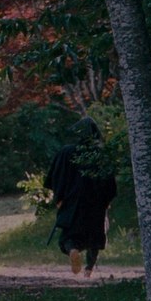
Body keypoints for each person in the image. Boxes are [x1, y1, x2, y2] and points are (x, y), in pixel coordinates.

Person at [44, 116, 117, 277]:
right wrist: (106, 200)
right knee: (95, 236)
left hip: (72, 201)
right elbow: (109, 181)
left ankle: (73, 250)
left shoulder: (65, 152)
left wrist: (59, 197)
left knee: (69, 236)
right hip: (96, 202)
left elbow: (56, 176)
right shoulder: (100, 154)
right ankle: (88, 270)